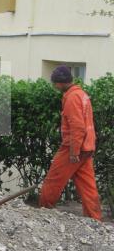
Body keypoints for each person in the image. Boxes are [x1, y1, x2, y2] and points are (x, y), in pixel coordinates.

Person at [39, 65, 102, 221]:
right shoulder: (82, 94)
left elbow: (77, 126)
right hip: (87, 147)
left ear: (60, 82)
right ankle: (95, 220)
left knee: (53, 180)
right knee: (87, 186)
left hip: (74, 148)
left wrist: (74, 151)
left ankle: (41, 215)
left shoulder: (72, 98)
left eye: (55, 83)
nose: (54, 86)